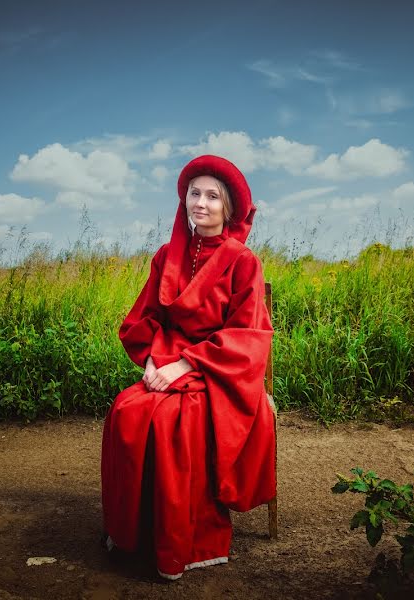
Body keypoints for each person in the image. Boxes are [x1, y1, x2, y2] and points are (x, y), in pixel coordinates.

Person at [101, 155, 276, 580]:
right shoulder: (167, 255)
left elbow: (248, 336)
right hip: (165, 358)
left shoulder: (243, 260)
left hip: (218, 368)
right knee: (127, 410)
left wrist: (183, 366)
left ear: (227, 207)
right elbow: (143, 318)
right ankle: (138, 532)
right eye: (194, 194)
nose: (201, 203)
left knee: (176, 422)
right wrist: (150, 360)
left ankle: (185, 541)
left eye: (212, 196)